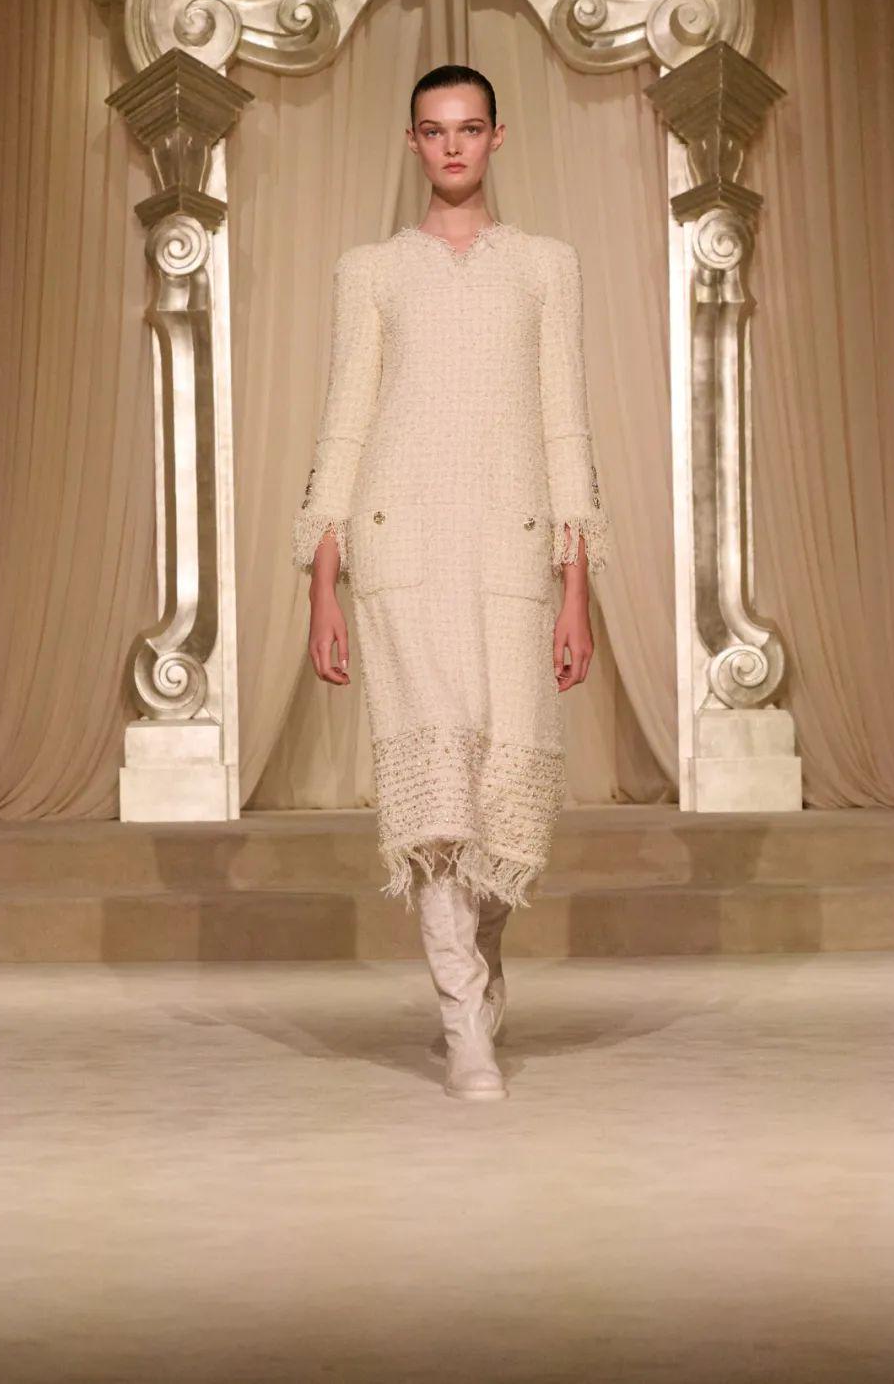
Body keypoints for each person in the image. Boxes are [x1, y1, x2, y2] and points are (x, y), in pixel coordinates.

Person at [291, 64, 609, 1101]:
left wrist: (575, 585)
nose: (454, 146)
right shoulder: (372, 271)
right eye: (434, 131)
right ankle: (463, 1019)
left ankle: (483, 970)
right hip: (402, 550)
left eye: (470, 128)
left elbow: (565, 425)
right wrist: (323, 581)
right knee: (434, 796)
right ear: (413, 143)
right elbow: (346, 422)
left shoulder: (546, 267)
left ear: (497, 137)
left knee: (502, 792)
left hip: (511, 549)